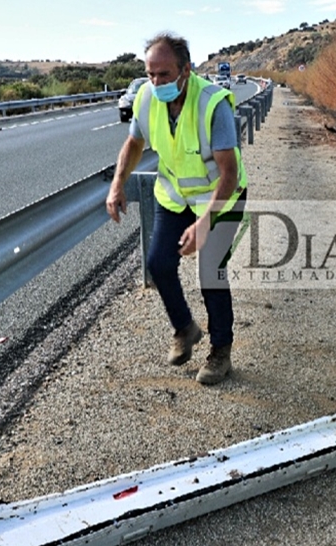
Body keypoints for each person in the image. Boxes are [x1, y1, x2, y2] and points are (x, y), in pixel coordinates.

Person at [106, 33, 247, 385]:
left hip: (221, 197)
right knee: (158, 263)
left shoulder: (213, 105)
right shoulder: (146, 98)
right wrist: (118, 183)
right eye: (150, 74)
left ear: (186, 70)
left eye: (164, 75)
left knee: (210, 271)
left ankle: (221, 351)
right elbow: (134, 142)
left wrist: (204, 224)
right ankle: (185, 328)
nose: (156, 83)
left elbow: (228, 174)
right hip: (175, 197)